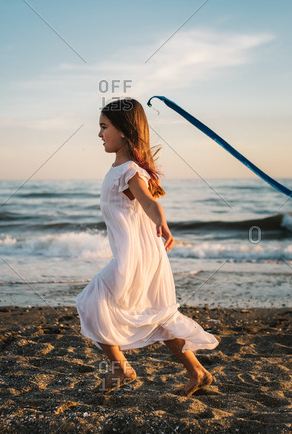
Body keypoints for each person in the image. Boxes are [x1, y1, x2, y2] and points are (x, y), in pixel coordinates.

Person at [75, 97, 219, 397]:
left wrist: (161, 222)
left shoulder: (129, 171)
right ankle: (198, 373)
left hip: (135, 258)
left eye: (104, 127)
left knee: (91, 300)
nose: (99, 134)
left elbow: (149, 202)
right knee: (157, 317)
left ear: (125, 131)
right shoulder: (123, 168)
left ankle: (121, 368)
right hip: (142, 256)